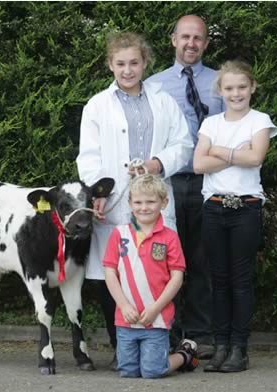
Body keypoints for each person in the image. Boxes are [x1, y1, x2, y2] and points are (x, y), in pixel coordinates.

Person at [76, 32, 193, 369]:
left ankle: (166, 342)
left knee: (160, 269)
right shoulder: (98, 104)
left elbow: (183, 144)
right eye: (120, 64)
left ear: (145, 63)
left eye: (134, 63)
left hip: (152, 197)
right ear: (110, 65)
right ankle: (121, 345)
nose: (127, 70)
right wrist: (98, 192)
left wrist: (158, 164)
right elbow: (89, 156)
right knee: (111, 270)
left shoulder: (163, 100)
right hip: (114, 203)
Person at [146, 15, 224, 358]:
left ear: (206, 44)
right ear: (173, 39)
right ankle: (168, 332)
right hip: (170, 183)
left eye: (198, 38)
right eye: (185, 37)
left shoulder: (222, 82)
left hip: (210, 182)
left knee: (203, 258)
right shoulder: (154, 85)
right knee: (165, 258)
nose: (191, 43)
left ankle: (202, 335)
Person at [193, 60, 277, 372]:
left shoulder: (260, 121)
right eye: (229, 88)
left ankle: (239, 349)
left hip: (246, 207)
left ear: (252, 87)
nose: (236, 93)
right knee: (219, 279)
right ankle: (221, 346)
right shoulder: (211, 124)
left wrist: (218, 151)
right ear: (220, 91)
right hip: (214, 207)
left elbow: (255, 156)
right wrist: (234, 154)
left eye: (242, 87)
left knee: (241, 280)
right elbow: (198, 164)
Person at [103, 174, 199, 378]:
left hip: (156, 318)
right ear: (129, 203)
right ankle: (153, 355)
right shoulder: (119, 234)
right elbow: (110, 272)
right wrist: (124, 305)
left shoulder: (170, 237)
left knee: (152, 371)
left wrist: (156, 308)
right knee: (127, 371)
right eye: (138, 202)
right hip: (126, 318)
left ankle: (185, 354)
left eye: (151, 202)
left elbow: (177, 277)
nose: (144, 207)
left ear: (163, 203)